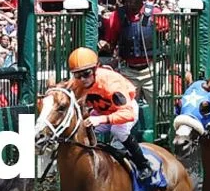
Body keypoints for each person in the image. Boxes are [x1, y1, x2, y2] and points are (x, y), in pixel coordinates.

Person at [65, 47, 154, 182]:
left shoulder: (111, 84)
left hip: (124, 110)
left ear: (95, 69)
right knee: (81, 128)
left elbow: (128, 113)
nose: (82, 79)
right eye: (77, 75)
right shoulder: (77, 83)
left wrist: (101, 119)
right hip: (102, 112)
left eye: (86, 74)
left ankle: (143, 165)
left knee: (117, 130)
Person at [100, 0, 164, 106]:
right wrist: (104, 46)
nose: (130, 2)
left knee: (160, 107)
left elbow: (169, 35)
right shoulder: (116, 16)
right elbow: (110, 43)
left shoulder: (155, 12)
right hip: (128, 71)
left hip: (154, 69)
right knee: (126, 107)